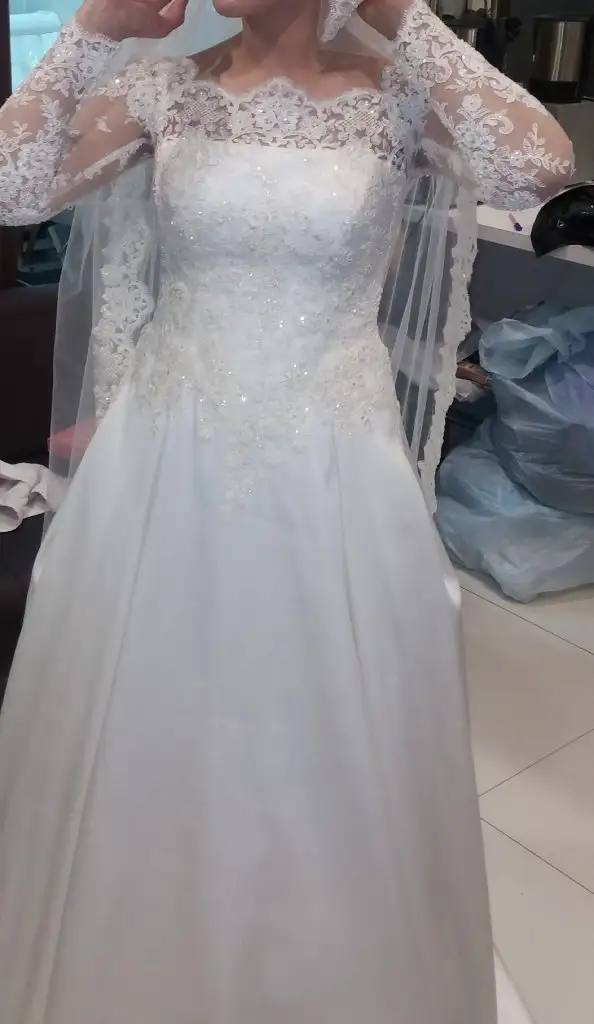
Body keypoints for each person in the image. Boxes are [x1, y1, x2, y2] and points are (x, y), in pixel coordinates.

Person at [0, 0, 572, 1021]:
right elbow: (12, 190)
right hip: (164, 457)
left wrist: (402, 15)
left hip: (332, 462)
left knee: (326, 726)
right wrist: (93, 31)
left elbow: (539, 169)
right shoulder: (166, 91)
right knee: (154, 713)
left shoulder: (396, 95)